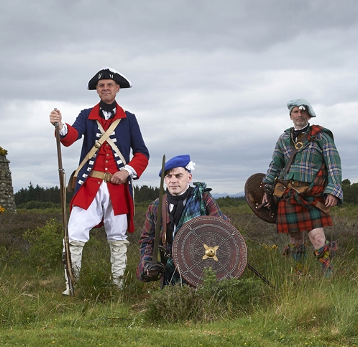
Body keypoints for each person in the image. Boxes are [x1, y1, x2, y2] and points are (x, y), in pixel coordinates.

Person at [49, 68, 149, 294]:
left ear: (117, 89)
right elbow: (71, 137)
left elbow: (142, 153)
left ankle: (118, 288)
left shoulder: (129, 119)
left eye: (109, 85)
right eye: (101, 85)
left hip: (117, 188)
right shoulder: (86, 115)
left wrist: (127, 171)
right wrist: (60, 126)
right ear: (97, 89)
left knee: (118, 238)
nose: (105, 88)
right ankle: (71, 286)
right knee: (73, 234)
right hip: (90, 186)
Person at [261, 100, 343, 276]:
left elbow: (333, 164)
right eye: (296, 111)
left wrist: (333, 190)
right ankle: (300, 275)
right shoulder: (283, 139)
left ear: (309, 115)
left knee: (317, 237)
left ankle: (328, 275)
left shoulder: (321, 136)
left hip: (312, 195)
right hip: (288, 194)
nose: (299, 114)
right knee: (295, 239)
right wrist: (266, 190)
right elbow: (275, 166)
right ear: (291, 116)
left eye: (303, 112)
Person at [137, 155, 228, 285]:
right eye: (168, 176)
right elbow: (147, 241)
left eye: (178, 176)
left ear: (189, 178)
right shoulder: (156, 206)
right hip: (171, 270)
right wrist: (147, 264)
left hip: (204, 268)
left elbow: (224, 230)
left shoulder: (204, 199)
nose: (173, 180)